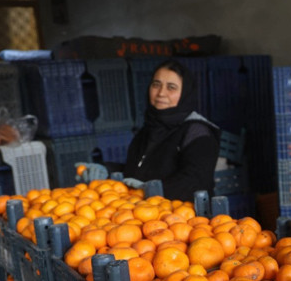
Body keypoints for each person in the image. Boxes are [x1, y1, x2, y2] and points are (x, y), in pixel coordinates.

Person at [77, 58, 221, 201]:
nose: (161, 93)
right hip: (142, 209)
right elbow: (136, 172)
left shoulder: (197, 133)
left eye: (171, 87)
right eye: (156, 85)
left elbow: (195, 182)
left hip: (181, 212)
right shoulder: (149, 128)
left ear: (185, 93)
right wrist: (106, 170)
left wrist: (152, 190)